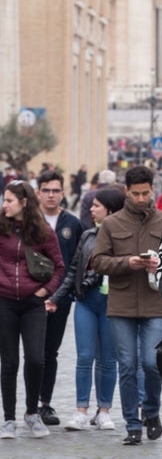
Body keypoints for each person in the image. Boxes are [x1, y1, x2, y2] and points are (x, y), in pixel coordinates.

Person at [92, 165, 162, 445]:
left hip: (154, 300)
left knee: (152, 362)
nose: (140, 199)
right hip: (121, 302)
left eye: (145, 193)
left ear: (153, 190)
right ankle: (132, 424)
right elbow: (98, 260)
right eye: (135, 193)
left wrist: (158, 264)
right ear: (126, 191)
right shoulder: (112, 224)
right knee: (126, 365)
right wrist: (127, 262)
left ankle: (151, 411)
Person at [48, 187, 125, 430]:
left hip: (113, 303)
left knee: (108, 359)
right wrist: (56, 297)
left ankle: (104, 411)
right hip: (86, 302)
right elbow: (73, 270)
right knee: (84, 357)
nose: (90, 209)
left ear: (110, 209)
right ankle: (81, 410)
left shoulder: (123, 236)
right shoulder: (87, 235)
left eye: (96, 206)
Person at [0, 180, 65, 438]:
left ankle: (31, 413)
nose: (4, 205)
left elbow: (59, 266)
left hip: (33, 304)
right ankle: (8, 419)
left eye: (9, 200)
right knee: (9, 361)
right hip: (4, 301)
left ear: (23, 203)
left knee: (36, 359)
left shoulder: (43, 232)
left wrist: (44, 291)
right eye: (4, 200)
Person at [34, 171, 85, 426]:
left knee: (50, 352)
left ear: (63, 193)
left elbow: (77, 262)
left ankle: (45, 403)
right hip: (30, 299)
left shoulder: (72, 224)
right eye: (46, 190)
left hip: (60, 300)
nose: (51, 195)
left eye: (55, 190)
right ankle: (30, 405)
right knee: (32, 354)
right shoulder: (28, 222)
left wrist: (66, 292)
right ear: (38, 193)